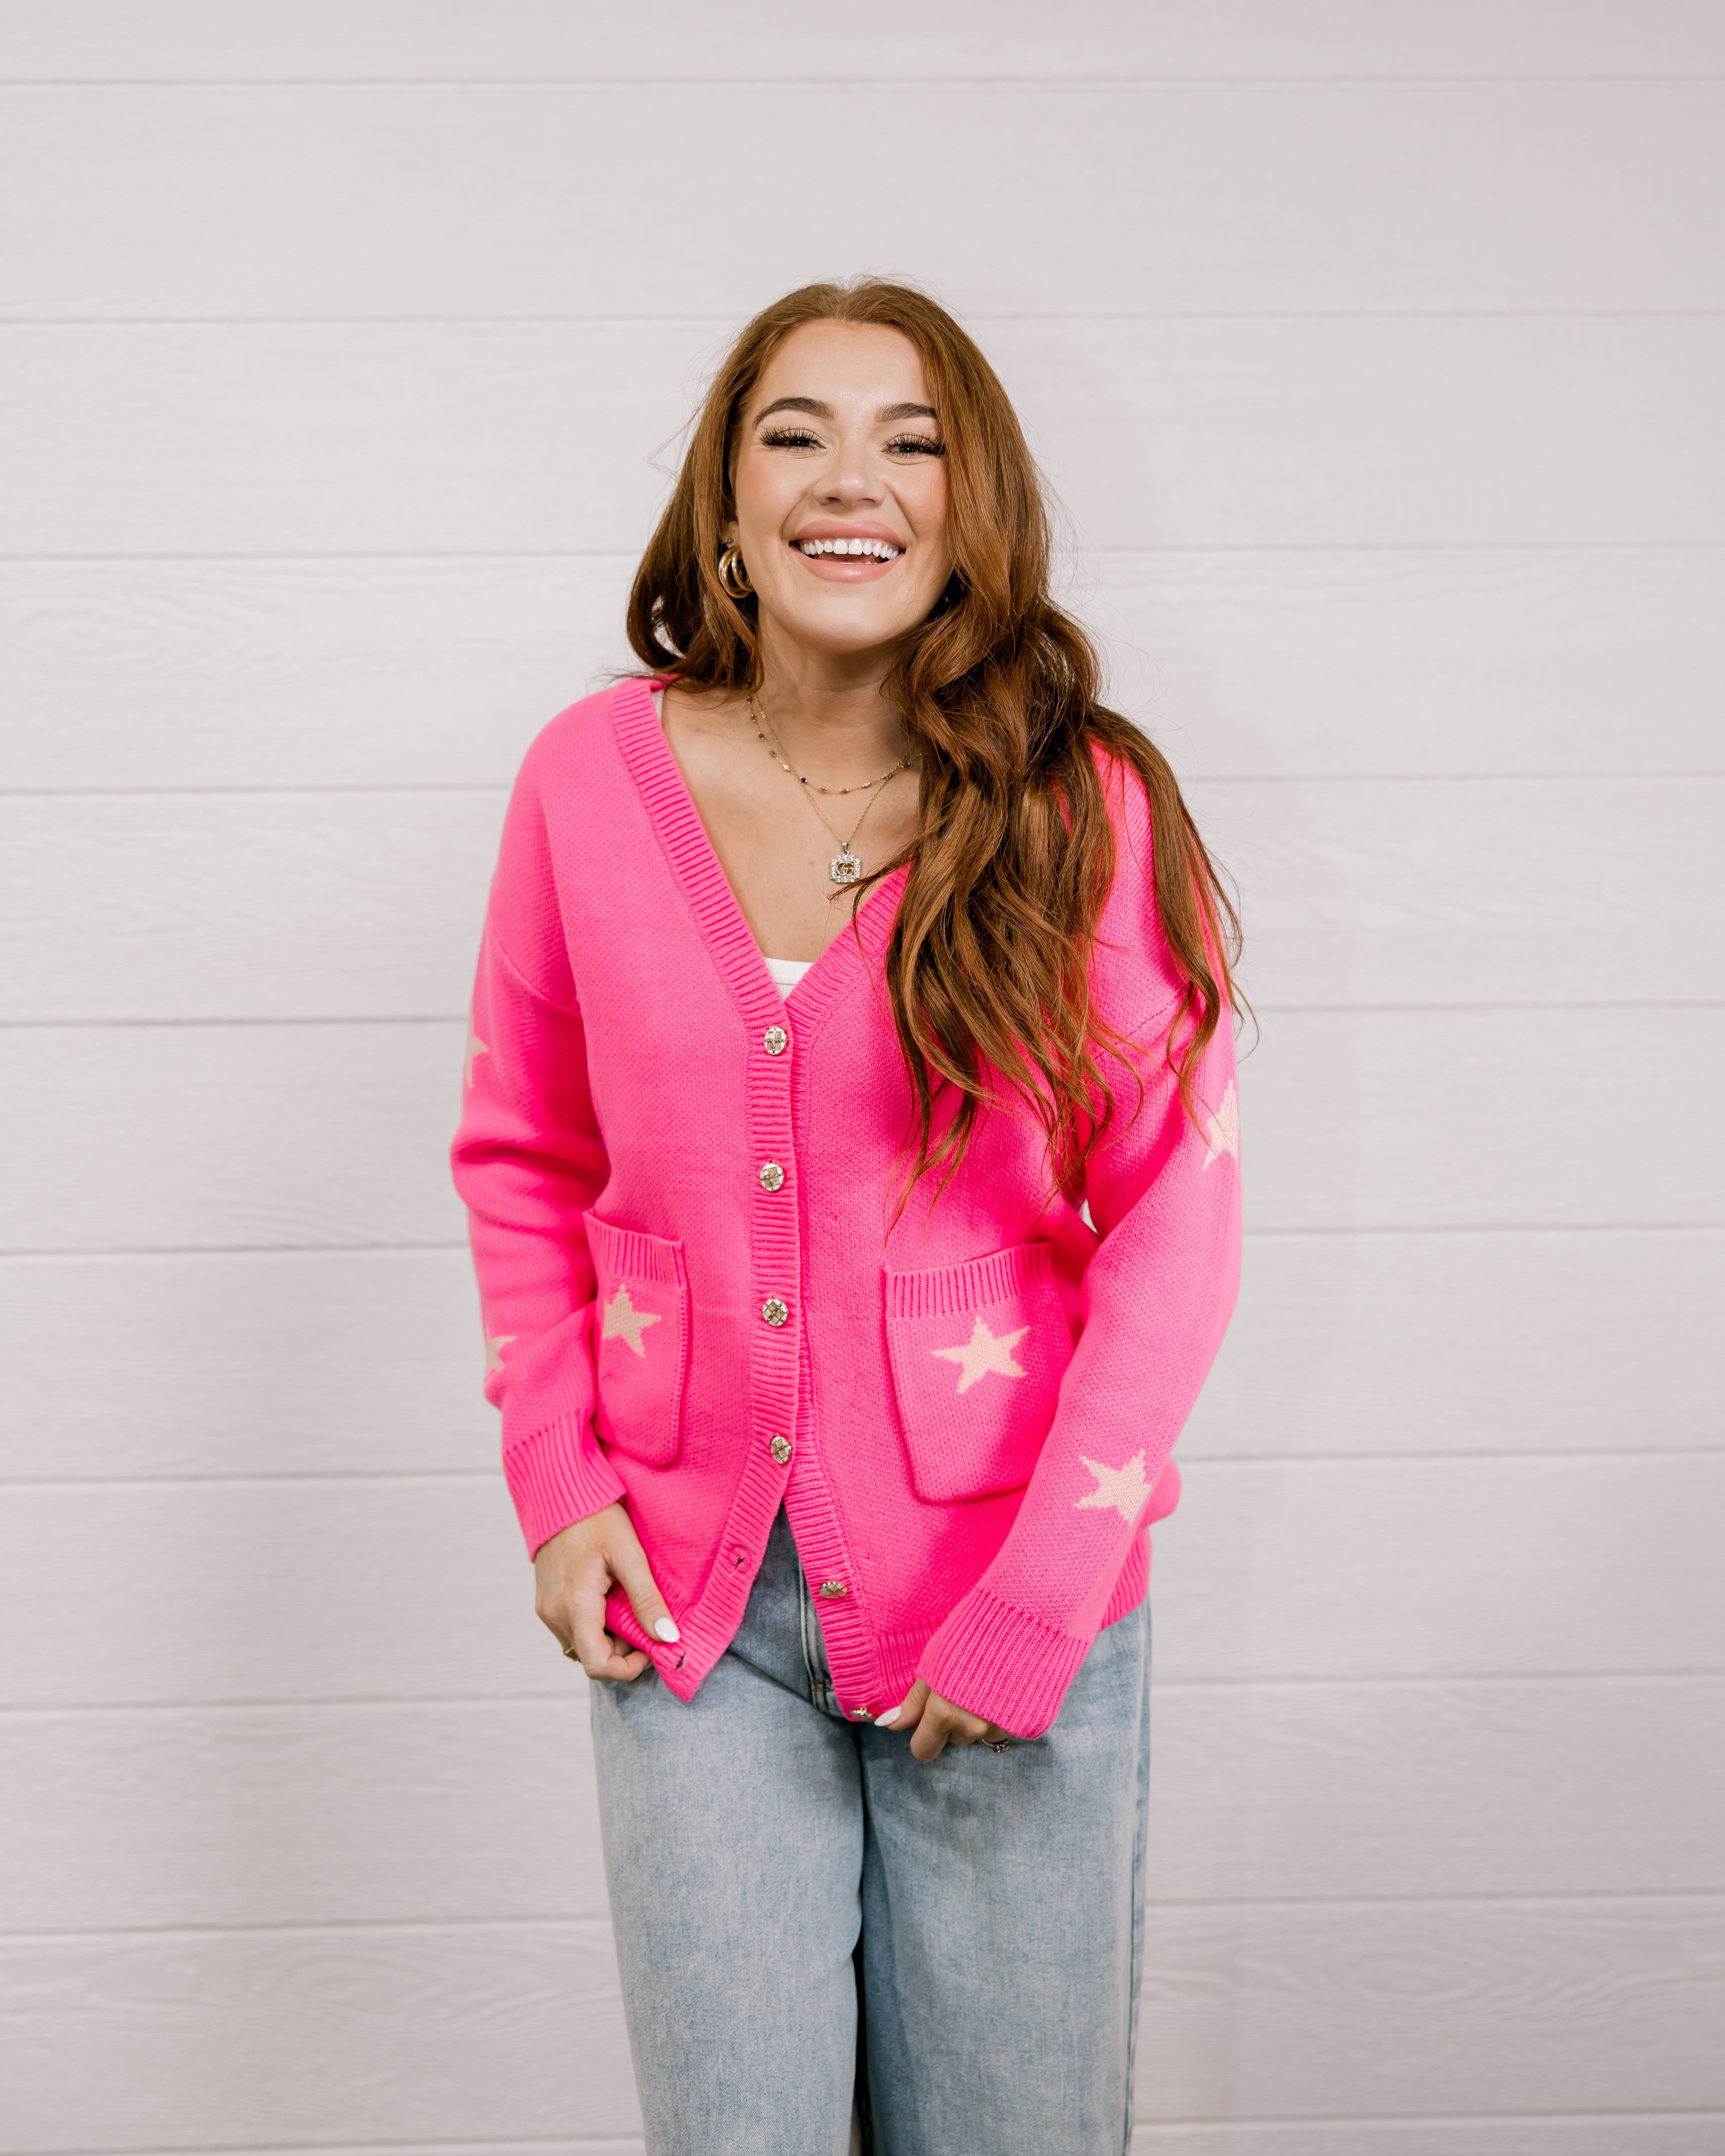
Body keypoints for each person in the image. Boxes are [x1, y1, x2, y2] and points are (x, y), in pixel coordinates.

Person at [449, 277, 1242, 2156]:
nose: (847, 479)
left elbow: (1169, 1225)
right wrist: (559, 1490)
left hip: (1010, 1589)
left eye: (911, 441)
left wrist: (1041, 1600)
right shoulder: (586, 781)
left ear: (969, 510)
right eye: (791, 433)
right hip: (690, 1610)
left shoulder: (1077, 806)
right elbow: (518, 1158)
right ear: (722, 508)